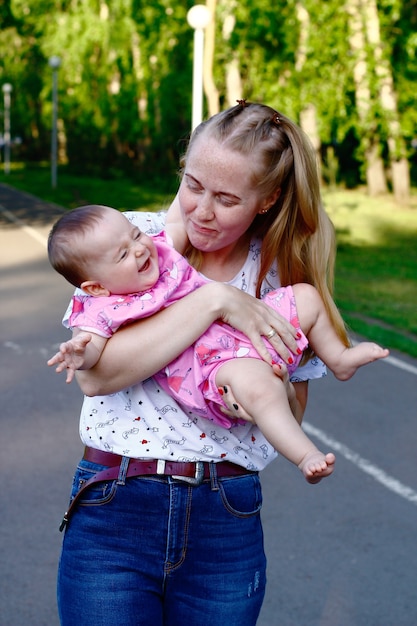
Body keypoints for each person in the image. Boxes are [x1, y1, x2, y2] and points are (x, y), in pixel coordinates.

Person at [54, 102, 379, 626]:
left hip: (225, 516)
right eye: (193, 184)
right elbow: (96, 375)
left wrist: (256, 389)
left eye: (227, 198)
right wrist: (215, 301)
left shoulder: (279, 278)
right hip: (115, 506)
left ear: (267, 199)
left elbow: (290, 416)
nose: (202, 210)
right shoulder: (130, 242)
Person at [48, 204, 388, 481]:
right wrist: (79, 352)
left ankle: (339, 358)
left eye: (136, 234)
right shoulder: (101, 307)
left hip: (245, 324)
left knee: (306, 297)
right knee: (260, 387)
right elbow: (92, 353)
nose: (139, 248)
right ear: (95, 287)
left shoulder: (162, 245)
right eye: (123, 255)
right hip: (210, 363)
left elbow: (183, 210)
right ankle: (305, 455)